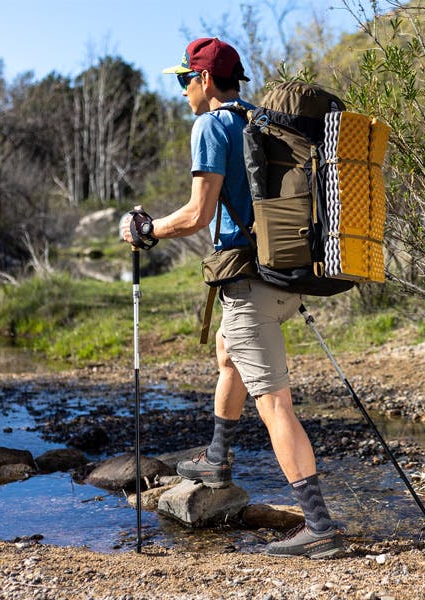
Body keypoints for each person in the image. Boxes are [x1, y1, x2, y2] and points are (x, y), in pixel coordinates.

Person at [120, 37, 344, 559]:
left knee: (274, 404)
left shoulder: (211, 125)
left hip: (250, 285)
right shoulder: (259, 120)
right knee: (227, 352)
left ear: (204, 80)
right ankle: (217, 460)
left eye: (184, 80)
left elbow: (200, 214)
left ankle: (319, 526)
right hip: (283, 276)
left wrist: (148, 229)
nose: (182, 92)